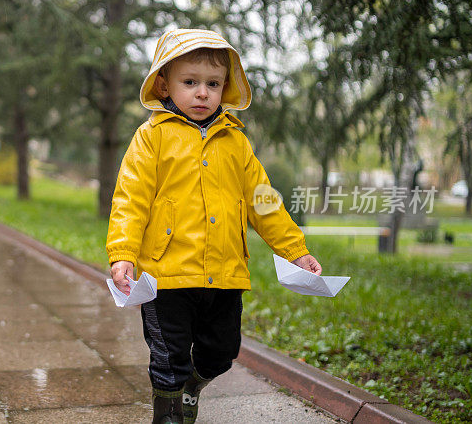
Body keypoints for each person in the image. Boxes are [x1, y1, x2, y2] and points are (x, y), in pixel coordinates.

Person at [106, 28, 322, 424]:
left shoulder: (235, 142)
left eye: (213, 84)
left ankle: (194, 384)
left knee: (221, 353)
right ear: (165, 85)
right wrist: (123, 254)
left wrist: (295, 251)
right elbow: (130, 199)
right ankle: (169, 413)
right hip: (165, 275)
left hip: (224, 273)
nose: (202, 93)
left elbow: (264, 200)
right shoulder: (151, 138)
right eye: (190, 83)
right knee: (168, 355)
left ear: (226, 87)